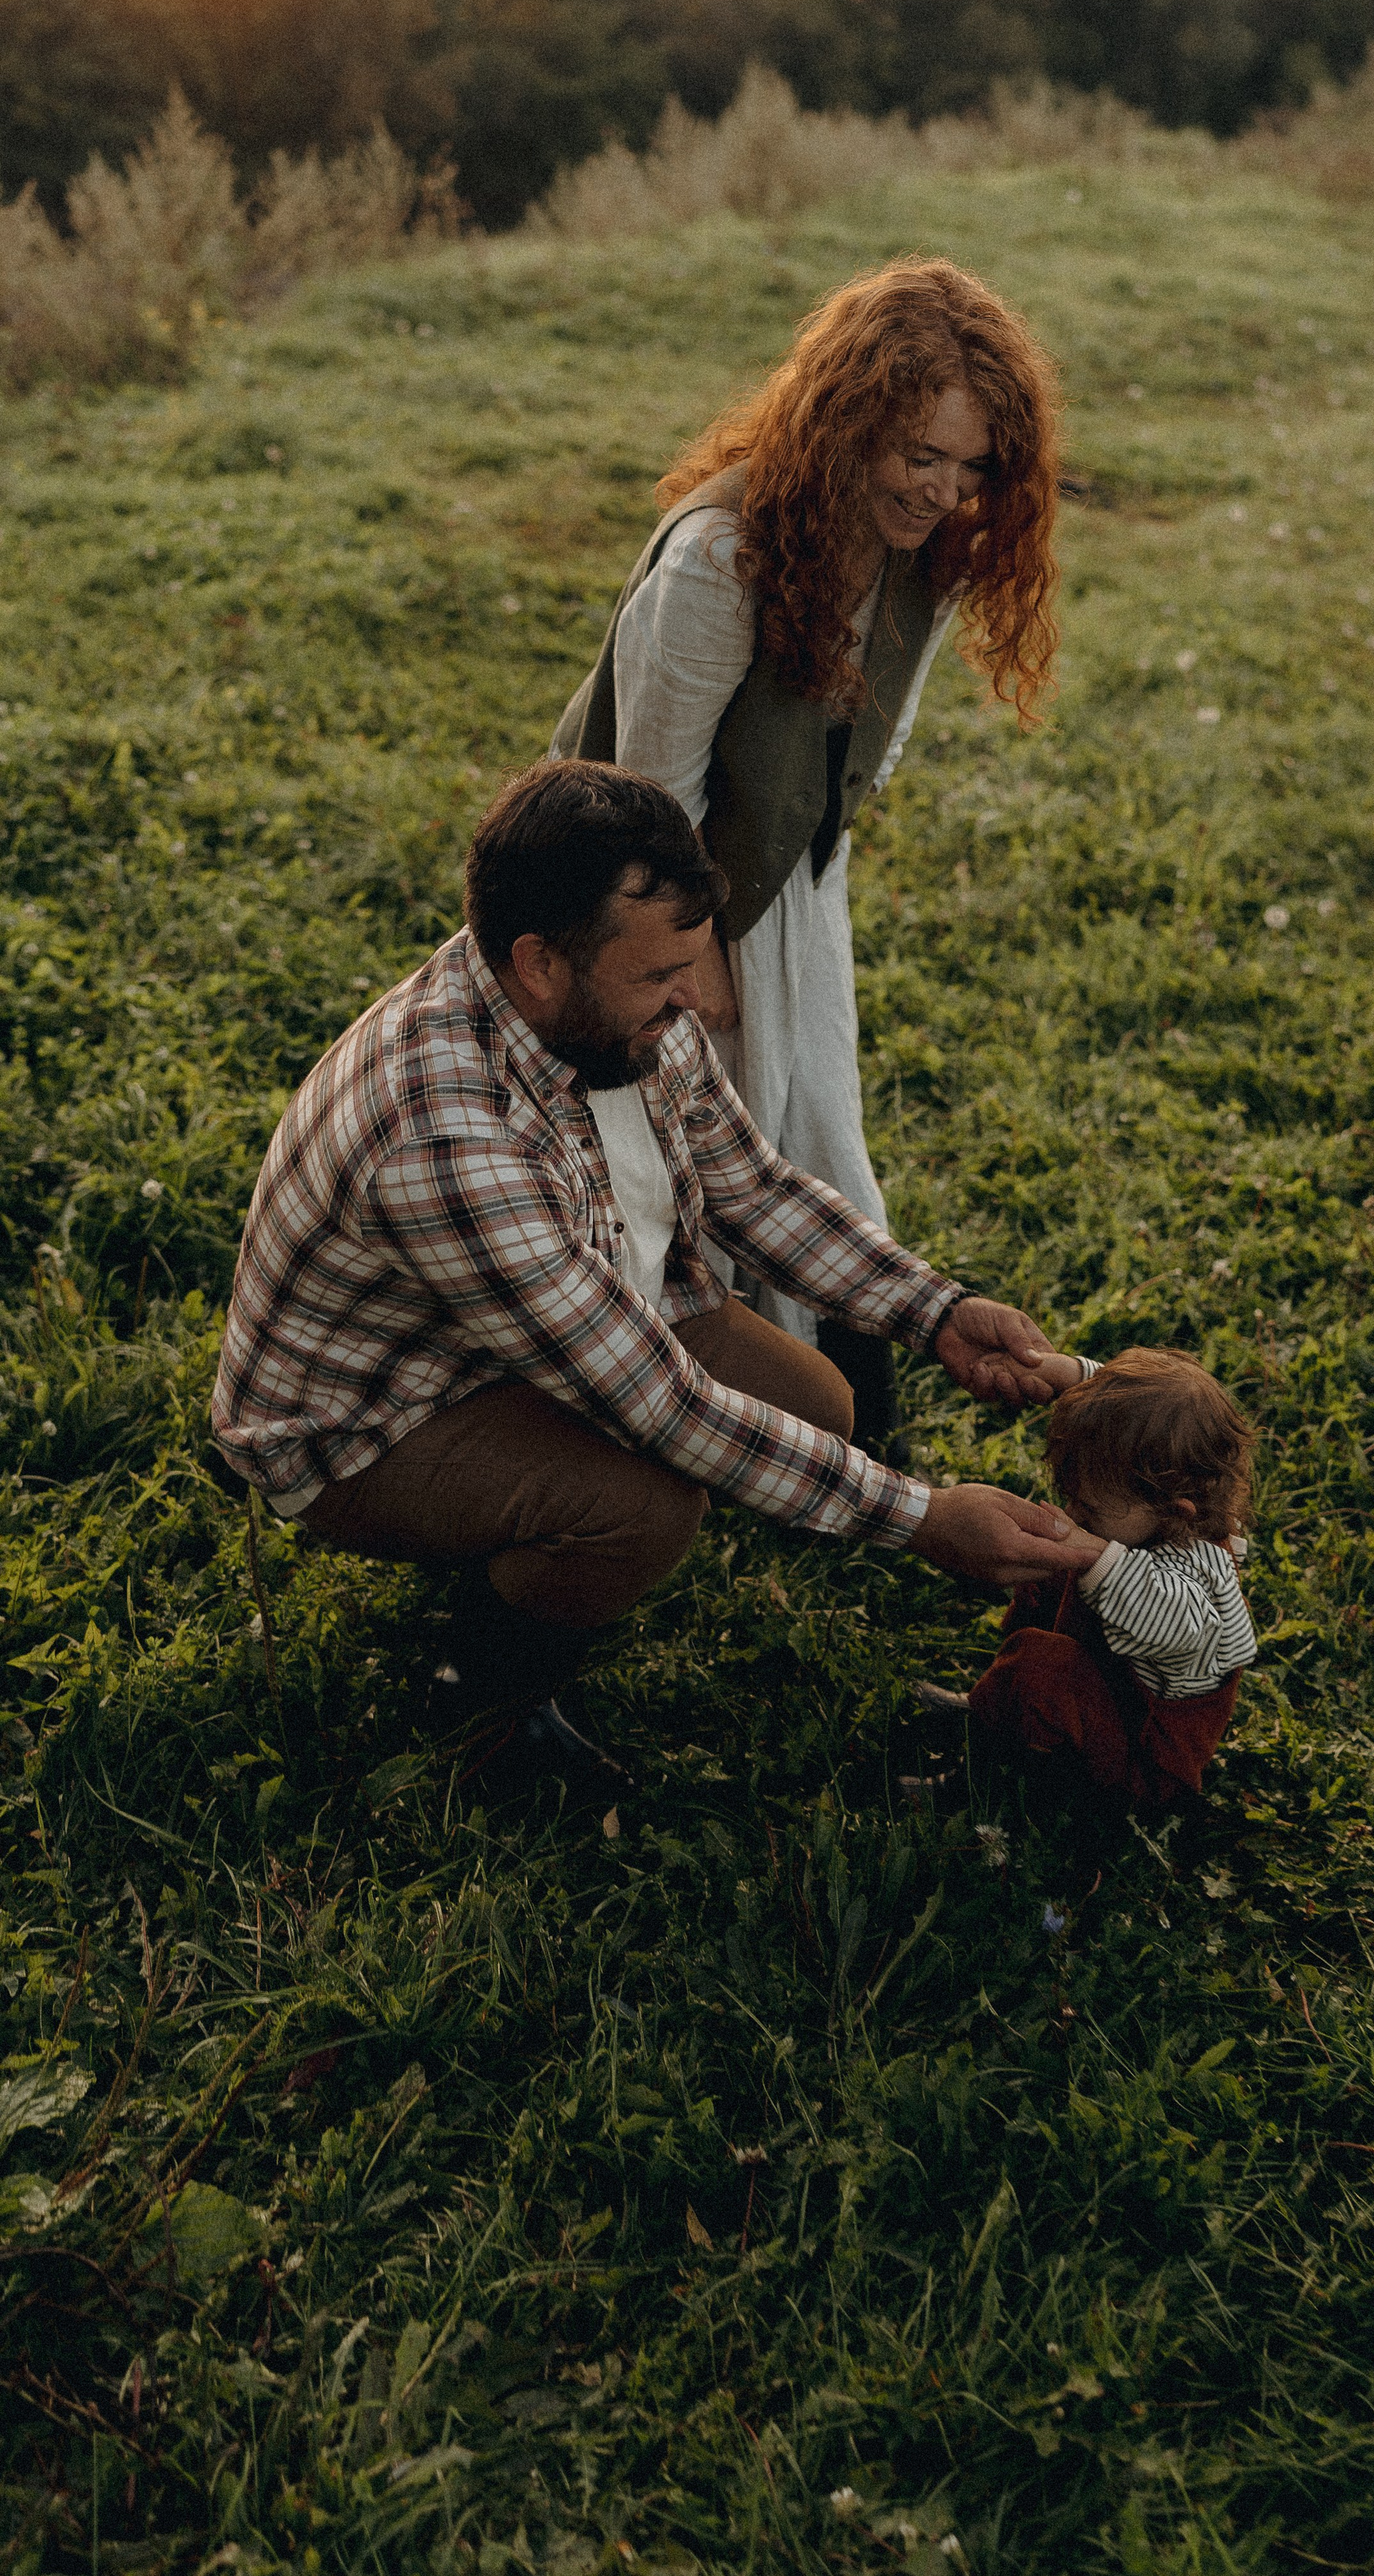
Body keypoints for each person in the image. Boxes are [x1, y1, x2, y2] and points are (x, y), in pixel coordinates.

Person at [212, 759, 1080, 1766]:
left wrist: (936, 1313)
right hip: (374, 1417)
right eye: (665, 978)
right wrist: (923, 1519)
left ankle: (529, 1540)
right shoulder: (441, 1132)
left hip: (556, 1311)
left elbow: (754, 1190)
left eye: (693, 963)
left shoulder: (602, 1000)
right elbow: (662, 1408)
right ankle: (484, 1695)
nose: (700, 1000)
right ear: (540, 963)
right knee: (646, 1504)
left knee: (823, 1406)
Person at [549, 255, 1062, 1453]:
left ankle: (847, 1424)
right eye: (915, 455)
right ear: (846, 425)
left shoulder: (927, 557)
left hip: (787, 886)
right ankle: (722, 1415)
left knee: (817, 1130)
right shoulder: (720, 560)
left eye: (967, 464)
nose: (941, 490)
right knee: (694, 1156)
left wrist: (790, 900)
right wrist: (693, 960)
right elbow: (650, 796)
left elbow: (866, 752)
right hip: (640, 904)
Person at [920, 1348, 1258, 1814]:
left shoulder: (1196, 1583)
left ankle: (979, 1782)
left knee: (1044, 1667)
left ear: (1174, 1511)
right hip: (1102, 1692)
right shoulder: (1167, 1491)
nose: (1075, 1515)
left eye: (1090, 1510)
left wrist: (1087, 1548)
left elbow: (1169, 1615)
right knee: (1053, 1581)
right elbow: (1133, 1412)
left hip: (1141, 1761)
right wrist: (1064, 1375)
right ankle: (1002, 1707)